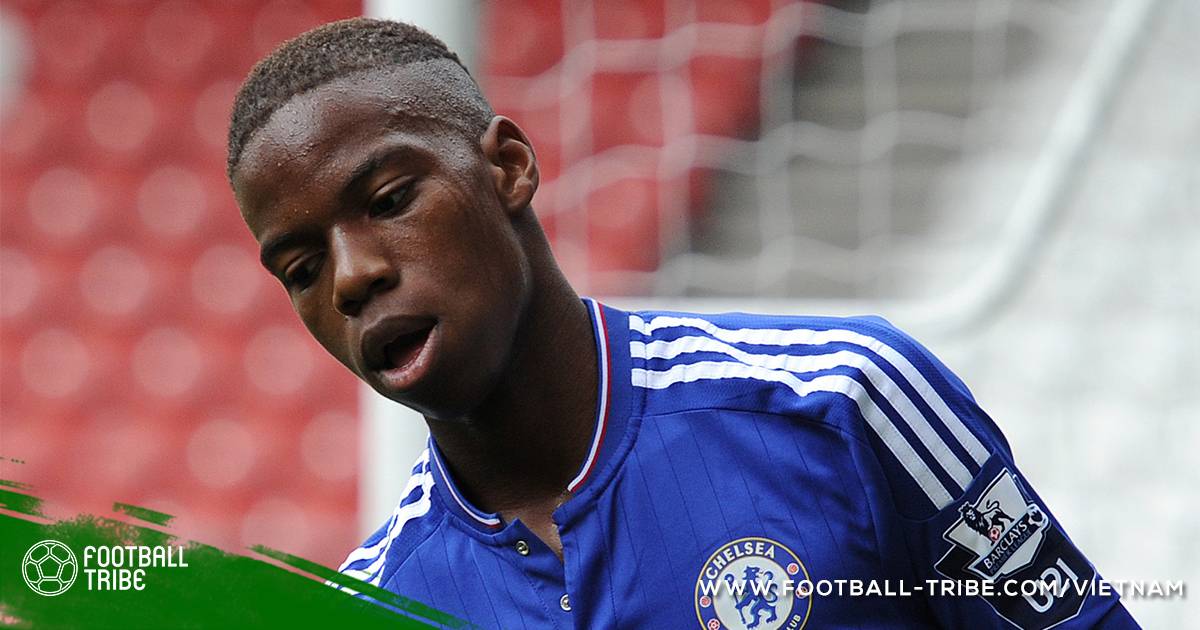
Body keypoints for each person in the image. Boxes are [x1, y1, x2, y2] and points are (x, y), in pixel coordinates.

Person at [227, 17, 1137, 630]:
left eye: (390, 200)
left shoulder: (840, 400)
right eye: (302, 270)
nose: (352, 278)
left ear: (506, 168)